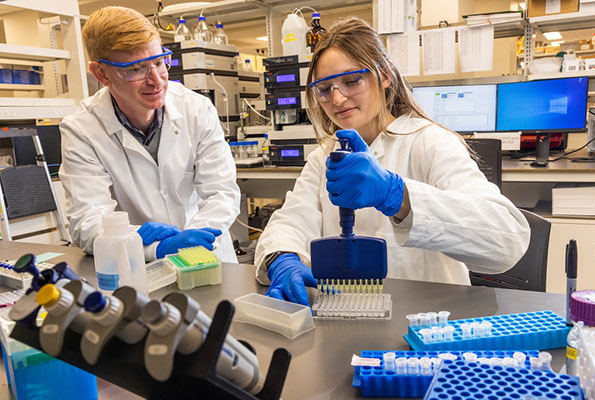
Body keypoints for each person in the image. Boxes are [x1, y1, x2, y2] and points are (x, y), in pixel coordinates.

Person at [254, 18, 530, 307]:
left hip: (429, 324)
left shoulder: (428, 141)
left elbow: (508, 240)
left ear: (384, 75)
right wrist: (283, 259)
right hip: (346, 319)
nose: (337, 98)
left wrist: (397, 196)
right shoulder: (323, 157)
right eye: (324, 89)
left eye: (351, 81)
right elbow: (290, 222)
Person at [59, 6, 240, 262]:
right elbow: (88, 222)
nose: (156, 80)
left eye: (159, 62)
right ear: (101, 73)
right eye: (136, 69)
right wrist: (153, 247)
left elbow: (222, 192)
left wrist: (196, 237)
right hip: (136, 266)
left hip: (208, 256)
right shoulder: (82, 130)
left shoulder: (196, 109)